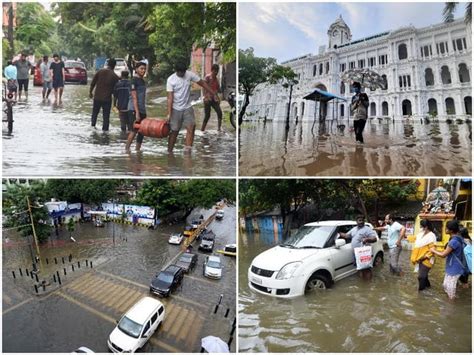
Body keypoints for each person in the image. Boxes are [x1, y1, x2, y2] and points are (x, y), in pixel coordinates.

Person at [166, 62, 216, 153]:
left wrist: (213, 93)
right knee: (174, 131)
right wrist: (169, 113)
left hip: (187, 107)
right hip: (175, 108)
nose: (182, 74)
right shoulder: (171, 80)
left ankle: (187, 151)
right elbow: (170, 98)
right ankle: (169, 152)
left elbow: (203, 83)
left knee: (191, 127)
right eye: (180, 72)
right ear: (176, 71)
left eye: (183, 72)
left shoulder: (189, 75)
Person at [430, 220, 466, 300]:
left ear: (451, 230)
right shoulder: (459, 238)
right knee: (446, 285)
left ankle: (451, 308)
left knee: (450, 292)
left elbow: (443, 255)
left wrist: (433, 250)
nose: (444, 229)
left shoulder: (453, 241)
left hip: (454, 269)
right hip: (453, 267)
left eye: (446, 228)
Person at [339, 215, 378, 280]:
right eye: (359, 220)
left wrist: (367, 239)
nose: (361, 222)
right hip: (356, 253)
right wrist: (339, 233)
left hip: (364, 253)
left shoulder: (367, 229)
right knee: (359, 267)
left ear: (364, 221)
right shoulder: (354, 229)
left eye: (362, 220)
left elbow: (374, 239)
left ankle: (368, 284)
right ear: (356, 221)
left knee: (366, 268)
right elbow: (347, 236)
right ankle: (362, 282)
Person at [90, 58, 119, 131]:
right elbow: (115, 91)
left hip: (97, 97)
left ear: (107, 64)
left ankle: (93, 126)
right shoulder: (115, 76)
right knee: (106, 117)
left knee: (95, 114)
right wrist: (115, 103)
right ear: (114, 65)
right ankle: (105, 131)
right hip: (107, 99)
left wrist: (90, 92)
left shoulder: (100, 71)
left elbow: (93, 83)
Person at [125, 62, 147, 151]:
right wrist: (137, 113)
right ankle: (127, 150)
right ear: (136, 69)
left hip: (142, 109)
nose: (143, 70)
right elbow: (134, 97)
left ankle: (138, 151)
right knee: (133, 131)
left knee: (142, 131)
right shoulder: (133, 81)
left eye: (144, 69)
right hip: (133, 109)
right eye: (141, 68)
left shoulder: (142, 81)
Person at [410, 219, 436, 291]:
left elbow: (432, 250)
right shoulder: (421, 234)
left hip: (426, 259)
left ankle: (421, 293)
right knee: (424, 276)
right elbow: (415, 238)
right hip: (419, 258)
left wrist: (423, 257)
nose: (420, 228)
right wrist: (406, 236)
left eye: (421, 226)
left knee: (421, 277)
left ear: (426, 227)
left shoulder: (431, 236)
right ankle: (428, 288)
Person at [201, 64, 223, 132]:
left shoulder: (216, 79)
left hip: (214, 99)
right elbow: (203, 87)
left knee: (219, 112)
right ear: (212, 70)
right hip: (208, 99)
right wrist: (205, 96)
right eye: (215, 71)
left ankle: (219, 129)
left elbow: (218, 89)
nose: (216, 72)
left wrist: (219, 96)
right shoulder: (207, 77)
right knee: (207, 115)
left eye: (217, 71)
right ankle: (202, 130)